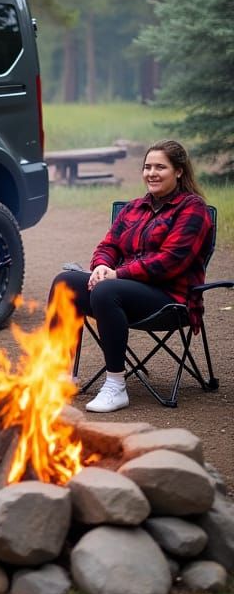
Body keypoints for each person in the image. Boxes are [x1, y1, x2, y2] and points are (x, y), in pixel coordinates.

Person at [50, 139, 213, 414]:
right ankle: (60, 376)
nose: (152, 173)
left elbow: (170, 261)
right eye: (147, 167)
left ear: (179, 171)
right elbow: (108, 246)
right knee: (65, 282)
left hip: (171, 299)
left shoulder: (192, 209)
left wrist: (116, 274)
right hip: (125, 291)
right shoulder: (134, 208)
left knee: (106, 290)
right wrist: (102, 267)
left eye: (160, 167)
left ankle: (115, 386)